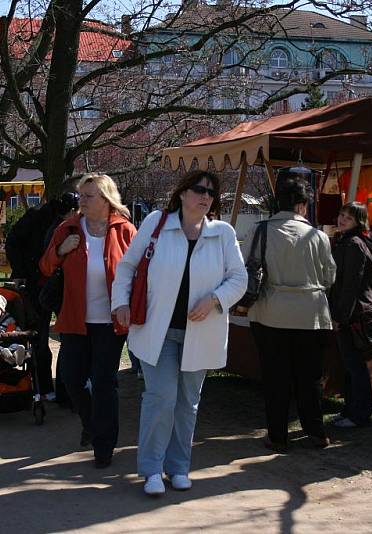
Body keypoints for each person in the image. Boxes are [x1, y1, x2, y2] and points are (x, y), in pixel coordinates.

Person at [113, 170, 247, 496]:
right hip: (158, 332)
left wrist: (215, 298)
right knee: (161, 398)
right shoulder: (158, 223)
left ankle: (178, 467)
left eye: (211, 193)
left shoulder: (223, 233)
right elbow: (128, 266)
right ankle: (152, 469)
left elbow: (239, 279)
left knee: (188, 403)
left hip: (200, 334)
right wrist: (120, 302)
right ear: (183, 193)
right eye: (199, 189)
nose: (204, 196)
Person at [40, 173, 136, 469]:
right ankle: (92, 424)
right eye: (81, 195)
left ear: (106, 199)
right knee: (72, 379)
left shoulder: (125, 231)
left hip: (110, 322)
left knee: (105, 382)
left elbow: (139, 272)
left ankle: (104, 446)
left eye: (88, 195)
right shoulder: (68, 228)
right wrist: (60, 250)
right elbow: (44, 267)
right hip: (74, 319)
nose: (81, 200)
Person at [241, 175, 336, 453]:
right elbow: (330, 276)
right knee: (310, 377)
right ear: (303, 205)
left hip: (271, 313)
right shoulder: (318, 236)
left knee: (275, 377)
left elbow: (246, 267)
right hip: (313, 315)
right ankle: (316, 432)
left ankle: (278, 435)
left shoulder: (260, 231)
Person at [7, 184, 79, 403]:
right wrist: (20, 271)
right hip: (38, 282)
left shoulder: (61, 219)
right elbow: (14, 241)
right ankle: (46, 387)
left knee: (64, 337)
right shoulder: (40, 217)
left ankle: (60, 390)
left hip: (55, 283)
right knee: (41, 338)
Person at [328, 202, 372, 428]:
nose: (342, 219)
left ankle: (360, 413)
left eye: (348, 217)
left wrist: (341, 316)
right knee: (349, 364)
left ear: (358, 221)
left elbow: (351, 285)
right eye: (341, 214)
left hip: (354, 313)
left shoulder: (355, 244)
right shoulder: (346, 241)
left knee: (356, 365)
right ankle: (350, 409)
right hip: (349, 311)